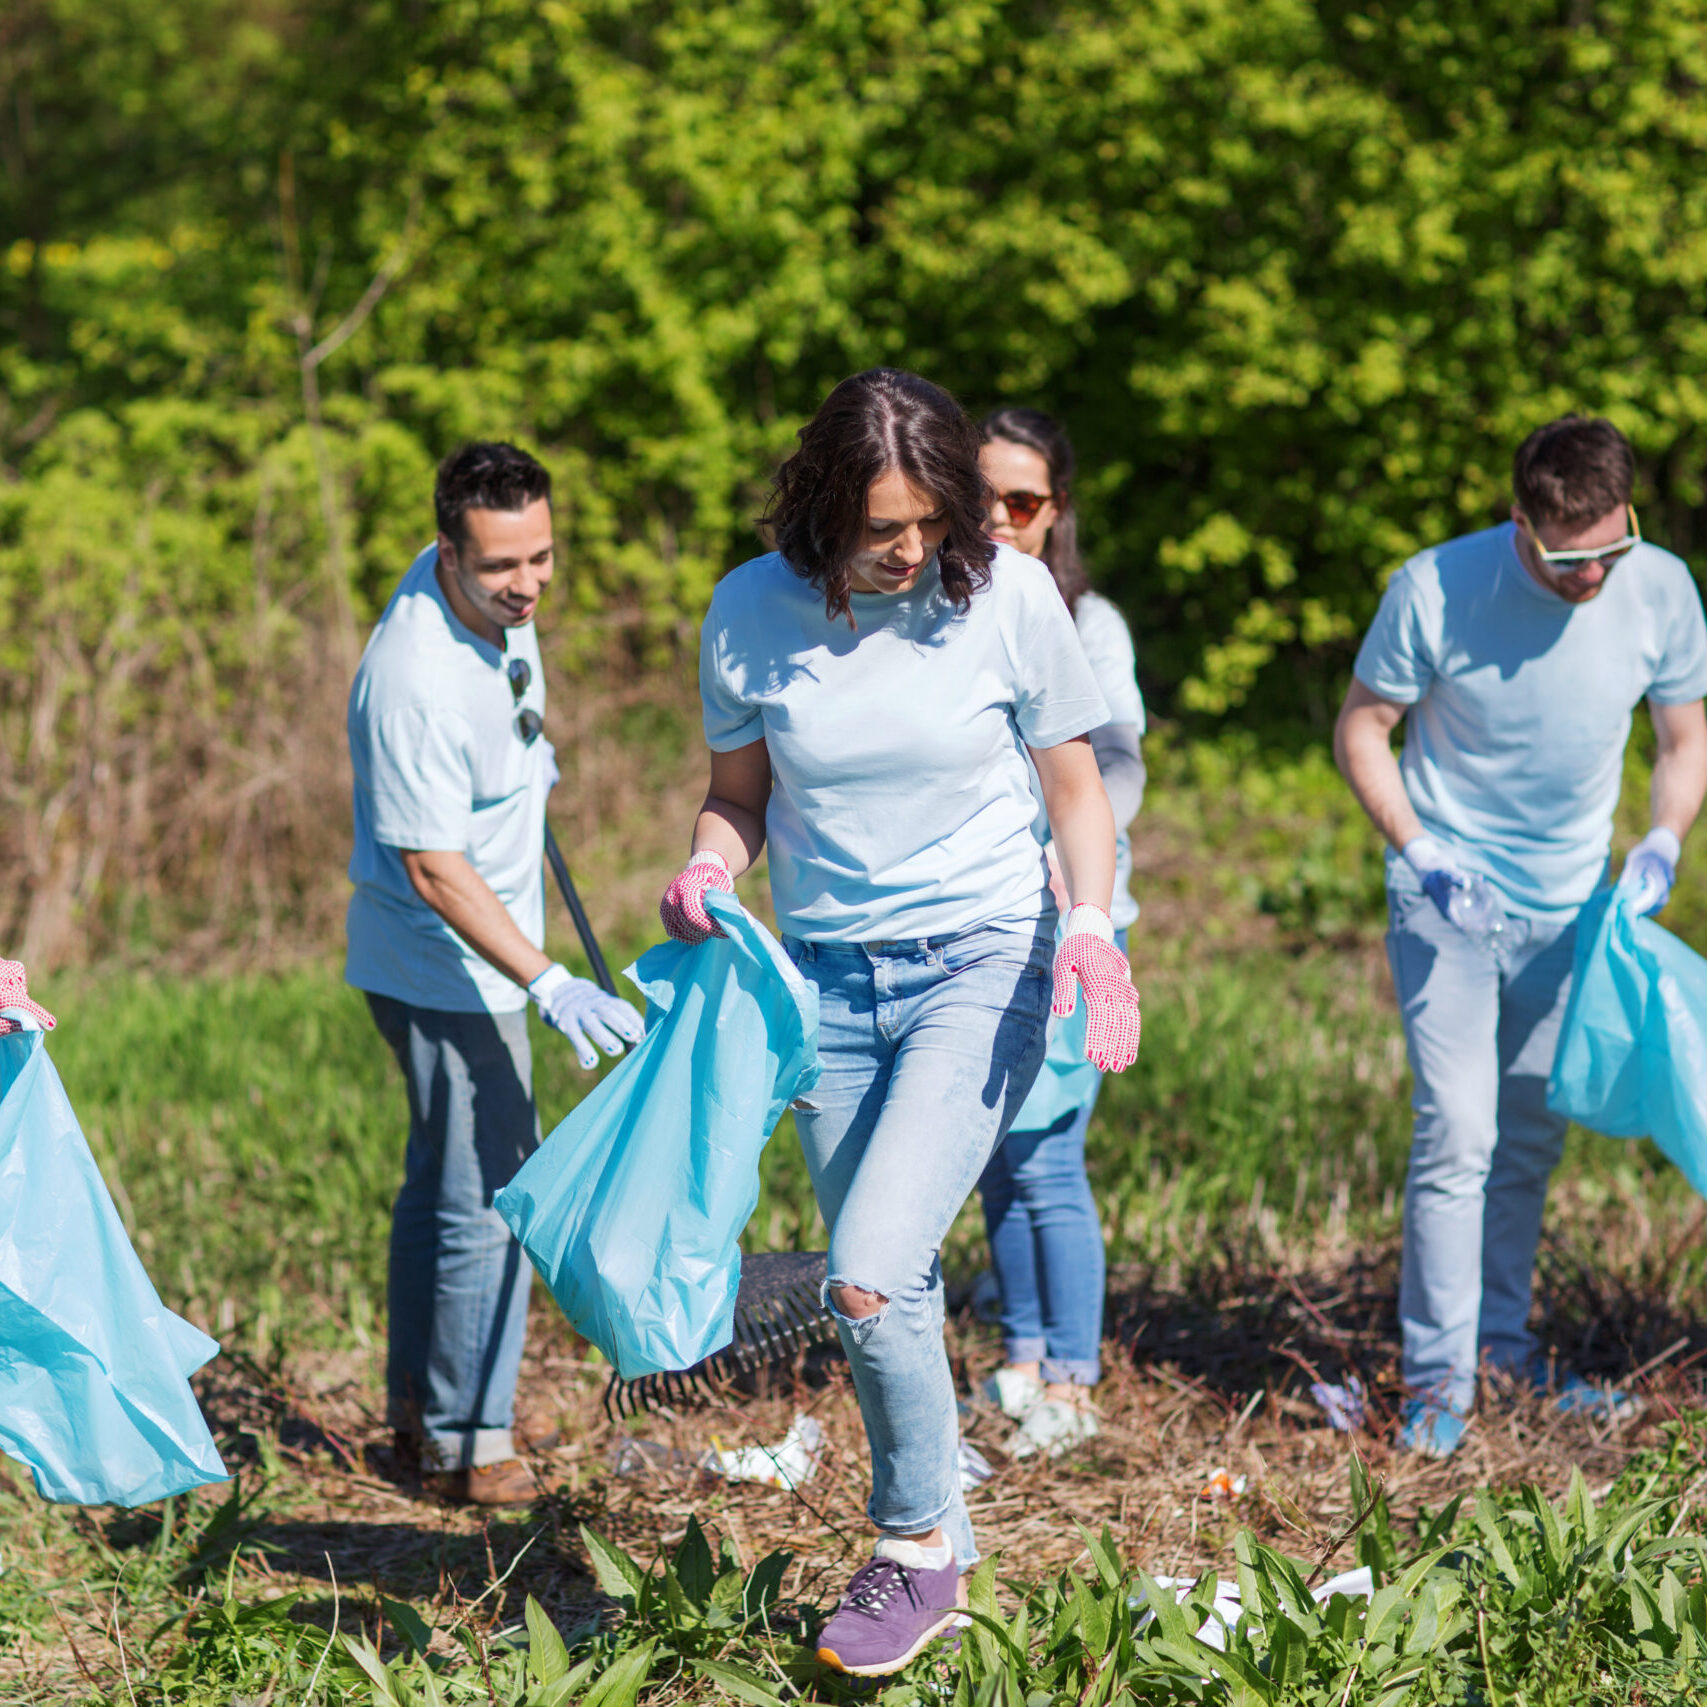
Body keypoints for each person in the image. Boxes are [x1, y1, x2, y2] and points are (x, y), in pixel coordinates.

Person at [658, 369, 1140, 1677]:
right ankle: (949, 1537)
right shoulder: (747, 611)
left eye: (932, 520)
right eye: (882, 526)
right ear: (819, 507)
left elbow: (1077, 789)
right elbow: (736, 796)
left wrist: (1088, 927)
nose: (912, 549)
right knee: (894, 1287)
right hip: (821, 984)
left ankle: (913, 1548)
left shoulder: (1009, 598)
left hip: (978, 961)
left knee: (861, 1270)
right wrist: (709, 866)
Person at [1334, 415, 1707, 1457]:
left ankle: (1501, 1346)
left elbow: (1684, 737)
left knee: (1530, 1138)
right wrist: (1418, 849)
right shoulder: (1434, 589)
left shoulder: (1662, 589)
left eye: (1610, 549)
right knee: (1459, 1130)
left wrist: (1664, 840)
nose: (1592, 574)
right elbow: (1363, 727)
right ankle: (1437, 1387)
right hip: (1447, 897)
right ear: (1520, 526)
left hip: (1571, 904)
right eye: (1566, 557)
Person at [346, 441, 645, 1505]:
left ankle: (420, 1420)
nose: (526, 586)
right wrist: (550, 982)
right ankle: (470, 1443)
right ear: (444, 554)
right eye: (499, 569)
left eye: (543, 557)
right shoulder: (412, 679)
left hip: (485, 944)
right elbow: (433, 868)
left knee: (446, 1186)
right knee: (493, 1193)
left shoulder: (495, 610)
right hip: (443, 964)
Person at [973, 407, 1145, 1459]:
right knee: (994, 1148)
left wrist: (1069, 851)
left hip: (1072, 926)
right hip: (980, 919)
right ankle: (1024, 1347)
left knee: (1048, 1160)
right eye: (982, 495)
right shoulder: (948, 608)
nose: (1000, 519)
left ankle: (1074, 1372)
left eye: (1023, 502)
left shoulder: (1090, 624)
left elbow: (1116, 764)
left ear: (1056, 511)